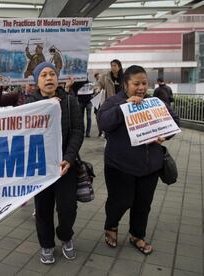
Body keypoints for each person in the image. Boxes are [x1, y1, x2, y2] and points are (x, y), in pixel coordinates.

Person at [97, 65, 180, 255]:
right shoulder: (113, 102)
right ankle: (111, 226)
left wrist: (165, 136)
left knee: (143, 204)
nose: (141, 87)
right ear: (126, 84)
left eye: (144, 83)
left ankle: (137, 235)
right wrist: (124, 107)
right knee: (120, 201)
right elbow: (103, 123)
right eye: (136, 83)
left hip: (149, 166)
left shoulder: (154, 102)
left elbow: (174, 121)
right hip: (119, 166)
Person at [25, 62, 84, 264]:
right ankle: (47, 244)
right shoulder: (29, 104)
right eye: (43, 75)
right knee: (43, 210)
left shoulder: (69, 101)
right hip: (41, 168)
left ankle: (65, 236)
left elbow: (77, 131)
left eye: (52, 74)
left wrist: (68, 158)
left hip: (64, 167)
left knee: (68, 209)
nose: (49, 78)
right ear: (36, 81)